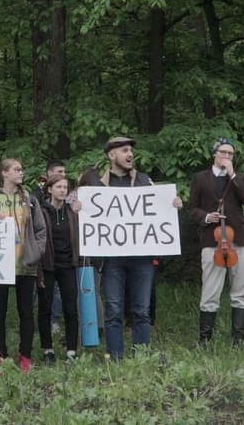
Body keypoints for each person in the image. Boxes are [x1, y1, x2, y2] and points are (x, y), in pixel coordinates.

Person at [79, 136, 181, 360]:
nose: (130, 154)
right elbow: (83, 210)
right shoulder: (97, 186)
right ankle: (115, 357)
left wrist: (172, 204)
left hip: (142, 259)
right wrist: (79, 206)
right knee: (114, 310)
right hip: (112, 260)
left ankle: (141, 357)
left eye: (131, 151)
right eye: (124, 150)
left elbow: (161, 207)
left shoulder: (145, 182)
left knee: (141, 310)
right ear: (111, 155)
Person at [0, 158, 47, 372]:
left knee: (26, 311)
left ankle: (25, 355)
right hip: (0, 265)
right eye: (16, 169)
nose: (21, 172)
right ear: (4, 173)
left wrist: (37, 252)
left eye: (22, 169)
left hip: (25, 264)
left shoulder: (29, 198)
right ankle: (1, 355)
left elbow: (40, 229)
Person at [188, 138, 244, 347]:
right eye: (223, 152)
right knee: (211, 289)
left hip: (239, 239)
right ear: (214, 154)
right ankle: (205, 340)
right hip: (212, 240)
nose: (227, 157)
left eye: (230, 154)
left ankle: (238, 340)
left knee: (240, 289)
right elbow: (192, 209)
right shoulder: (200, 178)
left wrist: (233, 175)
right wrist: (207, 217)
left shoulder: (240, 178)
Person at [37, 174, 79, 362]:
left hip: (68, 265)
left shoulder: (72, 211)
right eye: (59, 187)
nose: (63, 190)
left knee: (70, 308)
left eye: (65, 187)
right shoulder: (41, 211)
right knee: (45, 308)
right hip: (47, 265)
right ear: (49, 189)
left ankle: (71, 350)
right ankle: (47, 349)